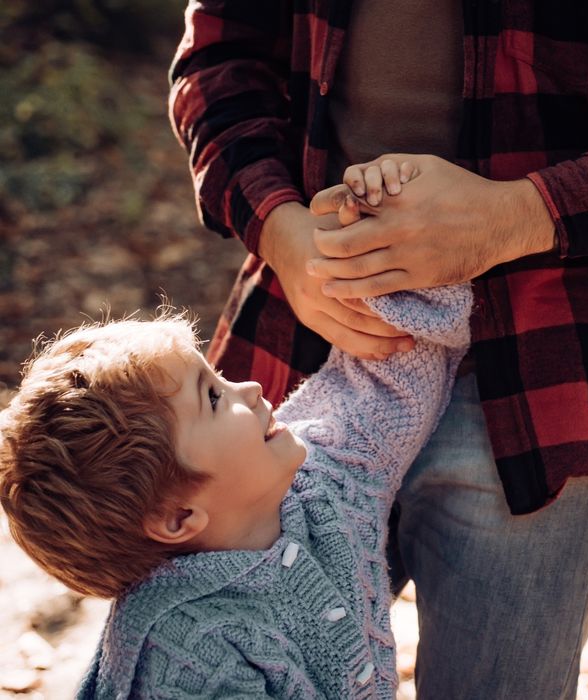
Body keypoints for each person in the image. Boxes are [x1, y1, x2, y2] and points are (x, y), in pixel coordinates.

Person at [169, 2, 588, 697]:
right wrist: (278, 228)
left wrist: (525, 214)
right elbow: (218, 58)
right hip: (306, 348)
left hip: (550, 371)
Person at [0, 171, 474, 698]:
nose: (248, 387)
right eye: (213, 398)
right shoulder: (188, 656)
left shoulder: (323, 487)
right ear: (179, 517)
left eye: (216, 377)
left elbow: (382, 390)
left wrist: (384, 245)